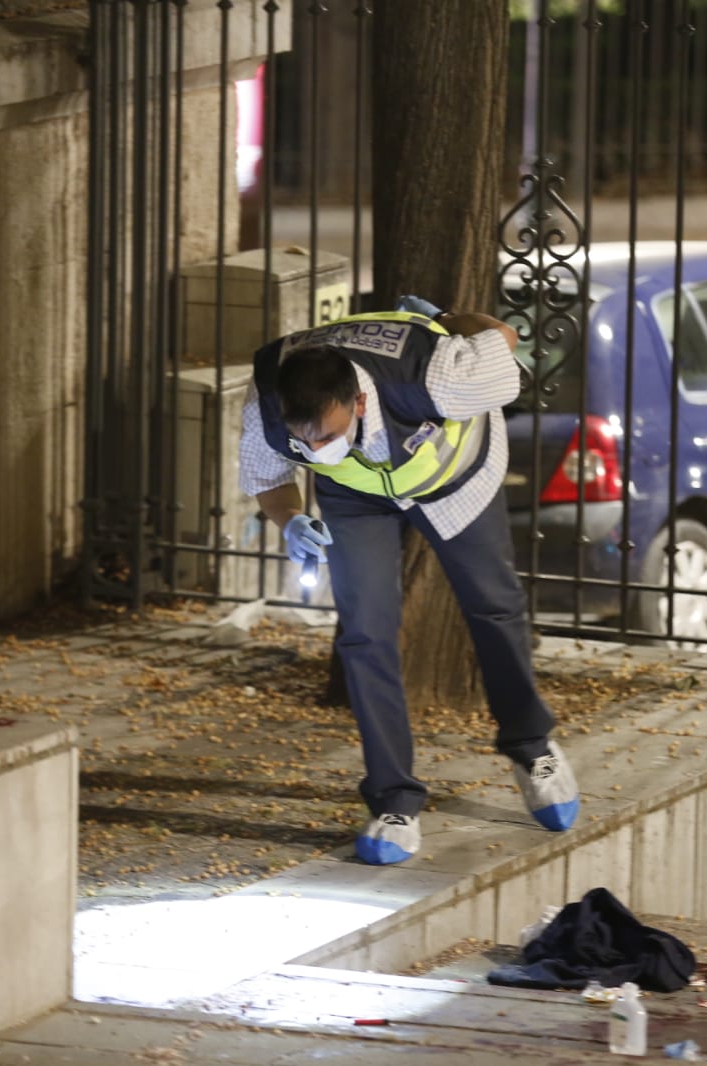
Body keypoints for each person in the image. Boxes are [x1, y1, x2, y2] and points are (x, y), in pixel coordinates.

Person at [237, 300, 579, 865]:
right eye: (304, 441)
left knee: (493, 605)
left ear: (359, 402)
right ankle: (393, 800)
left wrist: (449, 320)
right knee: (363, 634)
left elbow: (502, 334)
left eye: (327, 435)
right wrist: (291, 519)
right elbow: (269, 475)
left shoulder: (442, 375)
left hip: (456, 476)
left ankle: (531, 745)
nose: (315, 449)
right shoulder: (268, 402)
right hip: (356, 494)